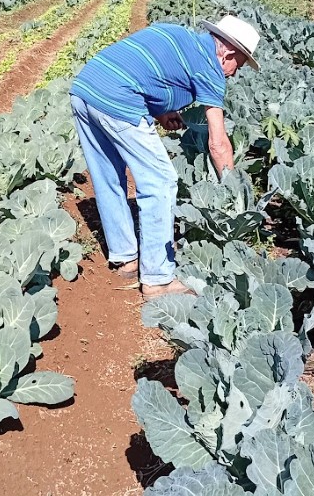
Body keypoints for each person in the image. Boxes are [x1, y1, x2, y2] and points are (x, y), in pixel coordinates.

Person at [69, 15, 261, 299]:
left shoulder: (176, 33)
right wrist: (233, 192)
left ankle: (125, 258)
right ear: (228, 54)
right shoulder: (210, 69)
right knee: (160, 182)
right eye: (238, 66)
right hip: (118, 100)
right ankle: (158, 280)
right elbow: (218, 143)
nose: (233, 73)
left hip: (85, 88)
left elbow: (144, 69)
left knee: (107, 174)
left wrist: (160, 112)